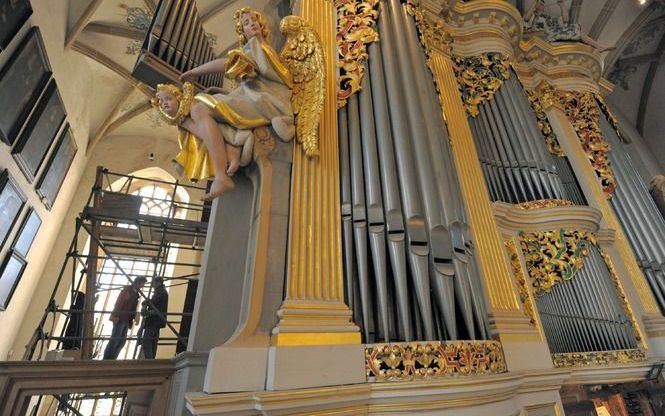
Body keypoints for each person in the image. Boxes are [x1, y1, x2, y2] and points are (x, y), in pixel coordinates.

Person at [152, 7, 294, 201]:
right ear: (242, 31)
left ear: (262, 25)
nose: (252, 23)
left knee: (199, 107)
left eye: (254, 20)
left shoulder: (256, 47)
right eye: (246, 23)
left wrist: (196, 72)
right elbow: (236, 70)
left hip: (266, 101)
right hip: (258, 98)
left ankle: (222, 175)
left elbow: (226, 64)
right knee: (195, 112)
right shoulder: (254, 48)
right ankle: (231, 150)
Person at [523, 0, 612, 51]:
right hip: (542, 36)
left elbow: (565, 20)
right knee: (574, 30)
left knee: (576, 30)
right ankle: (598, 46)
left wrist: (562, 5)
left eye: (543, 3)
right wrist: (534, 4)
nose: (543, 5)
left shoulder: (548, 18)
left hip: (553, 33)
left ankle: (598, 46)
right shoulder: (533, 16)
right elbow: (526, 20)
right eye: (541, 3)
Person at [103, 276, 147, 360]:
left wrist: (134, 316)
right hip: (120, 318)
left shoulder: (135, 293)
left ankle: (113, 358)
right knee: (115, 339)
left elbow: (132, 307)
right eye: (142, 284)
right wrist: (115, 316)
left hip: (126, 320)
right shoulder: (127, 291)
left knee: (121, 341)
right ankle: (107, 359)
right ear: (138, 283)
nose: (142, 286)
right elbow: (119, 303)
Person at [140, 277, 169, 359]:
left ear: (158, 282)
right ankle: (151, 360)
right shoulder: (161, 291)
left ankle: (149, 361)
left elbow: (153, 302)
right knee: (152, 342)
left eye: (153, 282)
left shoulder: (160, 292)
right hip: (156, 320)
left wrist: (144, 303)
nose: (151, 284)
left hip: (154, 321)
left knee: (147, 341)